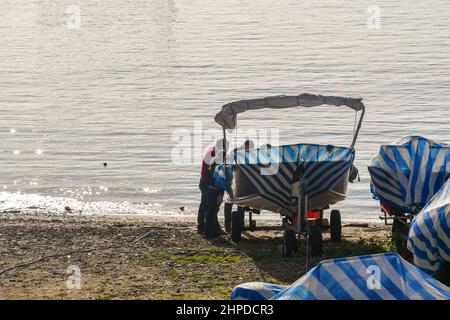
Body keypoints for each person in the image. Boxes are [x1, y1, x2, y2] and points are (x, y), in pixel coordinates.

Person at [197, 138, 228, 234]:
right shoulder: (214, 154)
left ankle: (203, 226)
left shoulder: (213, 151)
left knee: (206, 205)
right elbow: (217, 175)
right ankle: (207, 227)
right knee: (210, 207)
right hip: (208, 182)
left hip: (205, 180)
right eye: (226, 147)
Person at [204, 151, 226, 238]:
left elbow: (210, 181)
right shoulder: (220, 168)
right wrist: (221, 195)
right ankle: (210, 232)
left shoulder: (212, 166)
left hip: (210, 191)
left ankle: (209, 232)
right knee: (212, 212)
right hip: (215, 192)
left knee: (210, 211)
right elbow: (221, 183)